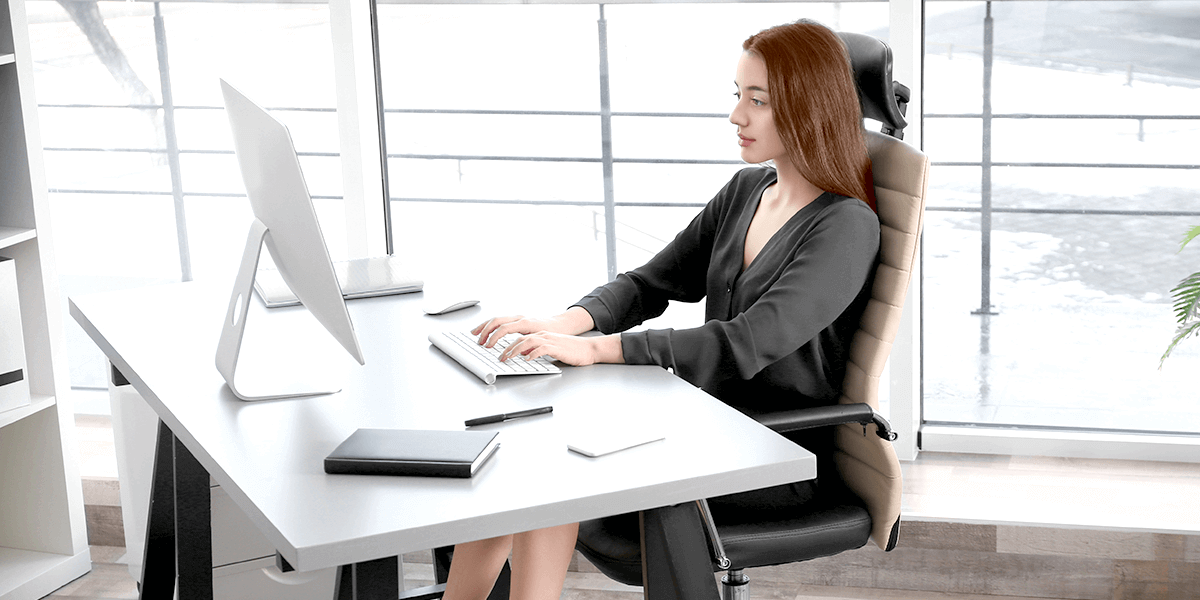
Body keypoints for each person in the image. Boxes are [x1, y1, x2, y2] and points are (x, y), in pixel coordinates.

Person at [440, 18, 880, 600]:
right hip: (703, 423)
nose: (736, 117)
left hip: (773, 455)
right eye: (736, 95)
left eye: (758, 101)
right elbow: (653, 281)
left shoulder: (846, 225)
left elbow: (745, 342)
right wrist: (564, 323)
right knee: (523, 460)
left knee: (547, 476)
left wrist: (598, 351)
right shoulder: (747, 191)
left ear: (808, 108)